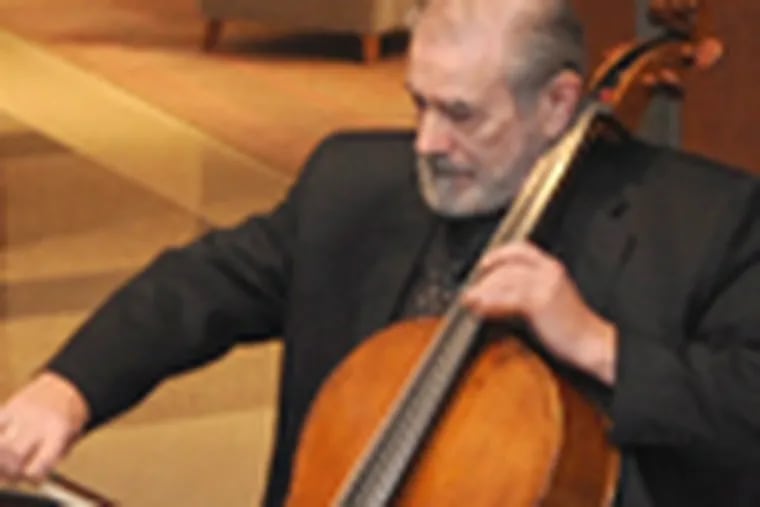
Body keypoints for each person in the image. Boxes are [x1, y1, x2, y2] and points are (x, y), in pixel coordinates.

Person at [2, 0, 760, 505]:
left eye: (461, 114)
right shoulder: (354, 183)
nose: (427, 142)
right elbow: (204, 285)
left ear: (558, 103)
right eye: (418, 103)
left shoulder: (704, 223)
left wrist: (599, 344)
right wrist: (68, 389)